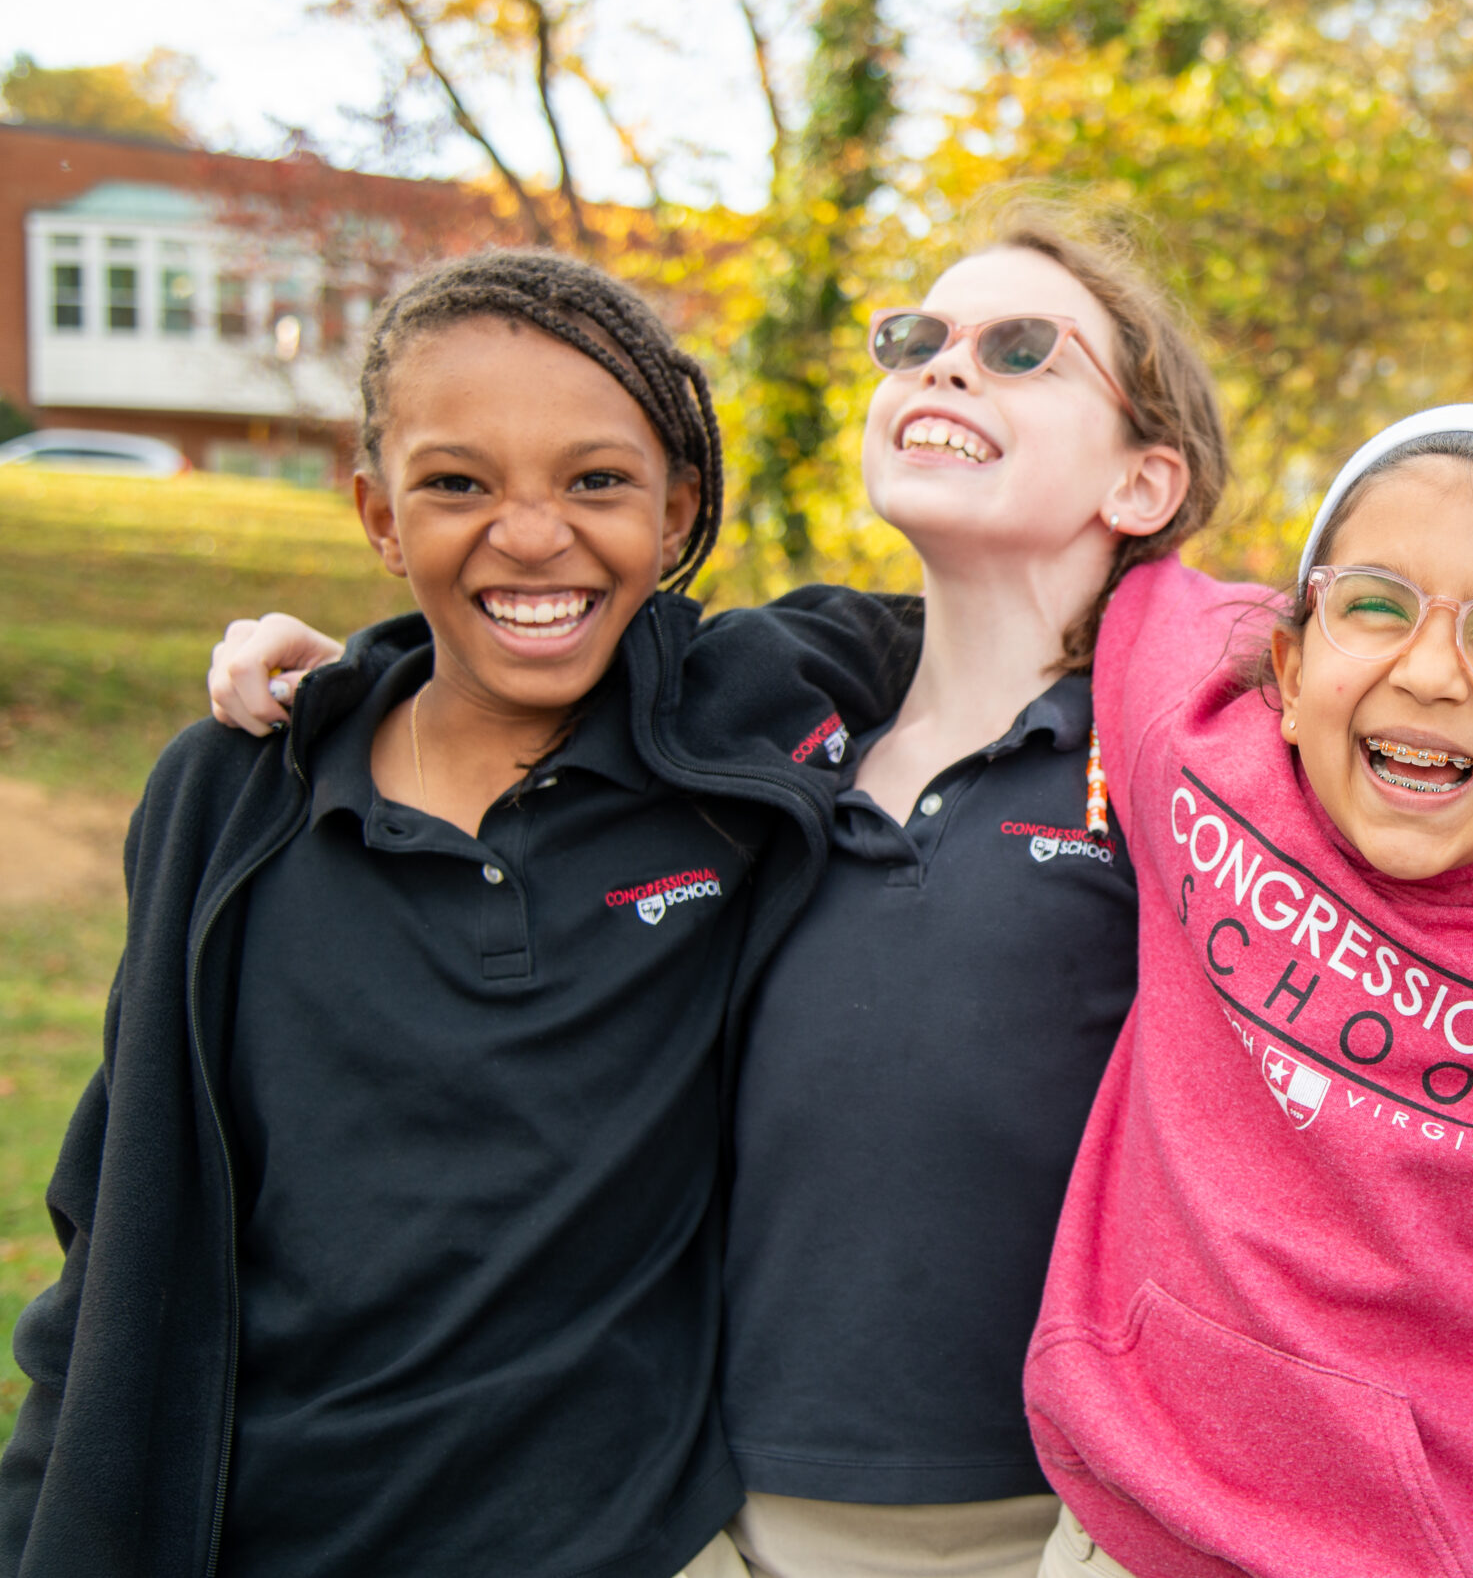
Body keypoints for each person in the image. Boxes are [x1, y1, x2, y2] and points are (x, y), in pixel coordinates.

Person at [200, 199, 1231, 1578]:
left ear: (1143, 485)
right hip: (728, 1511)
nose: (941, 366)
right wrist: (346, 677)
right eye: (917, 337)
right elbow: (522, 632)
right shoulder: (761, 736)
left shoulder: (1192, 765)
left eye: (1022, 347)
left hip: (1051, 1516)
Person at [0, 249, 915, 1578]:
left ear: (679, 508)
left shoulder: (748, 719)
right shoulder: (234, 793)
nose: (532, 533)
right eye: (457, 484)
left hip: (623, 1542)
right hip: (261, 1528)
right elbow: (117, 1218)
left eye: (596, 479)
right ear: (378, 516)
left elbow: (1041, 613)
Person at [1025, 404, 1473, 1578]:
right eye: (1375, 604)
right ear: (1292, 677)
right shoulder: (1197, 754)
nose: (1428, 670)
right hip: (1134, 1531)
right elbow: (1135, 573)